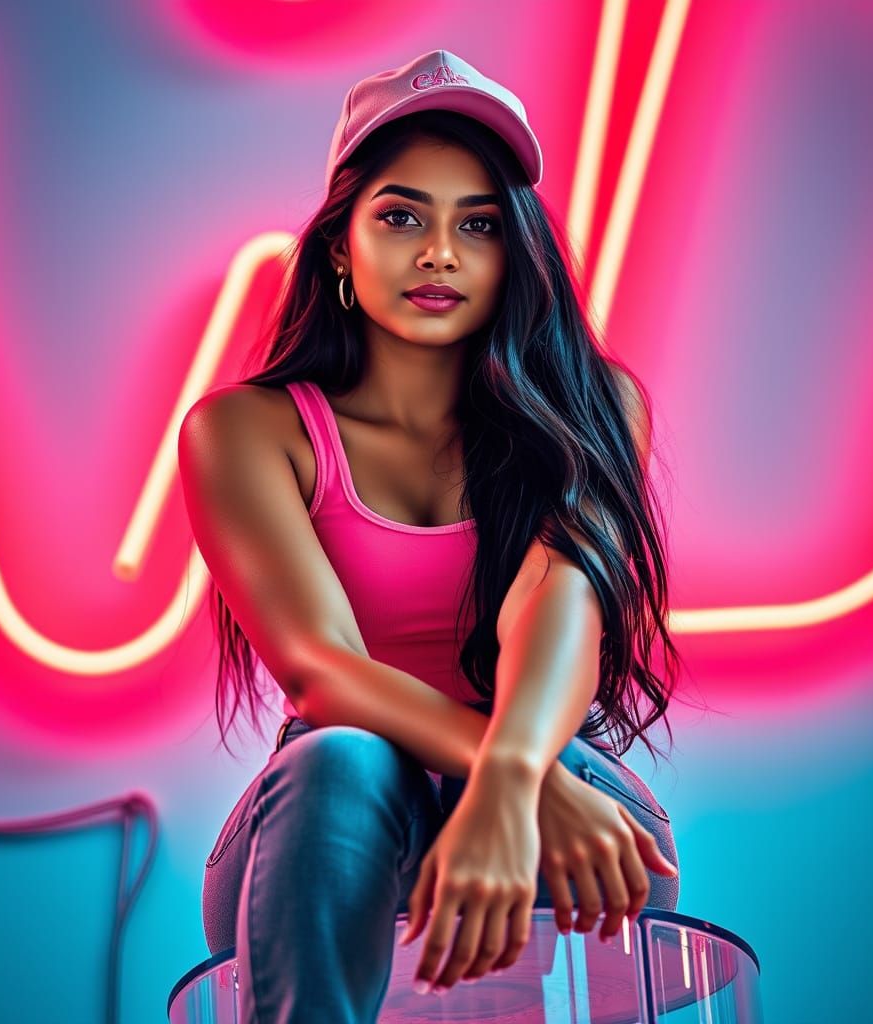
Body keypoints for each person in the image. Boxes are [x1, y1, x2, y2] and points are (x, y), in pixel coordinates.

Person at [178, 48, 686, 1024]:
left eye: (478, 224)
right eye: (402, 217)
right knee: (340, 758)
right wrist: (502, 772)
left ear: (515, 252)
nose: (440, 254)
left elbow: (560, 600)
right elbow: (321, 667)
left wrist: (514, 776)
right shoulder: (246, 430)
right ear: (339, 245)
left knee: (569, 777)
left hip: (551, 775)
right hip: (329, 823)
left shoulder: (595, 405)